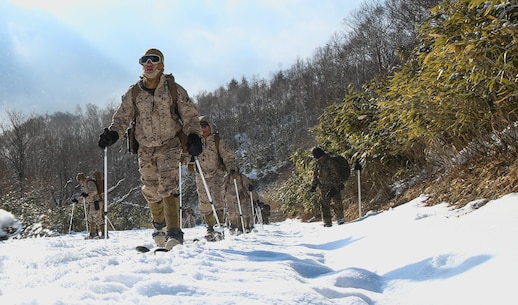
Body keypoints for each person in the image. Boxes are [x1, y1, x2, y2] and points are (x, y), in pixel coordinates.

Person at [98, 48, 203, 249]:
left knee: (168, 184)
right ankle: (160, 227)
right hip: (145, 148)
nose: (149, 63)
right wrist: (112, 134)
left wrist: (193, 136)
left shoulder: (174, 89)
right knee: (150, 189)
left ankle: (174, 233)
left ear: (161, 64)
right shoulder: (134, 93)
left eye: (153, 60)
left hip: (169, 144)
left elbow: (189, 116)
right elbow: (122, 118)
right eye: (144, 60)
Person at [195, 115, 239, 241]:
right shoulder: (195, 141)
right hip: (201, 176)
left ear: (210, 127)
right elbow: (186, 156)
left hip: (216, 174)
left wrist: (232, 168)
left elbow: (228, 156)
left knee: (217, 199)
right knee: (204, 202)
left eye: (205, 126)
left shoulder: (217, 140)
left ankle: (219, 226)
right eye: (200, 127)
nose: (203, 129)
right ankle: (210, 228)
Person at [309, 147, 346, 227]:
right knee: (324, 205)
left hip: (334, 186)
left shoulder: (330, 162)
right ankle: (327, 222)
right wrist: (313, 186)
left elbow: (336, 175)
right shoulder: (318, 163)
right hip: (323, 187)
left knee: (337, 203)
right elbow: (316, 175)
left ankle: (340, 220)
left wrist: (335, 187)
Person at [76, 173, 105, 239]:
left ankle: (93, 234)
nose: (79, 182)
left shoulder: (89, 183)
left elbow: (94, 191)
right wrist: (78, 201)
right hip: (94, 202)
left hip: (96, 202)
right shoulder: (86, 184)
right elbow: (86, 198)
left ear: (82, 179)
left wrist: (87, 195)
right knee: (98, 218)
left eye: (79, 180)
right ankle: (103, 233)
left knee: (92, 217)